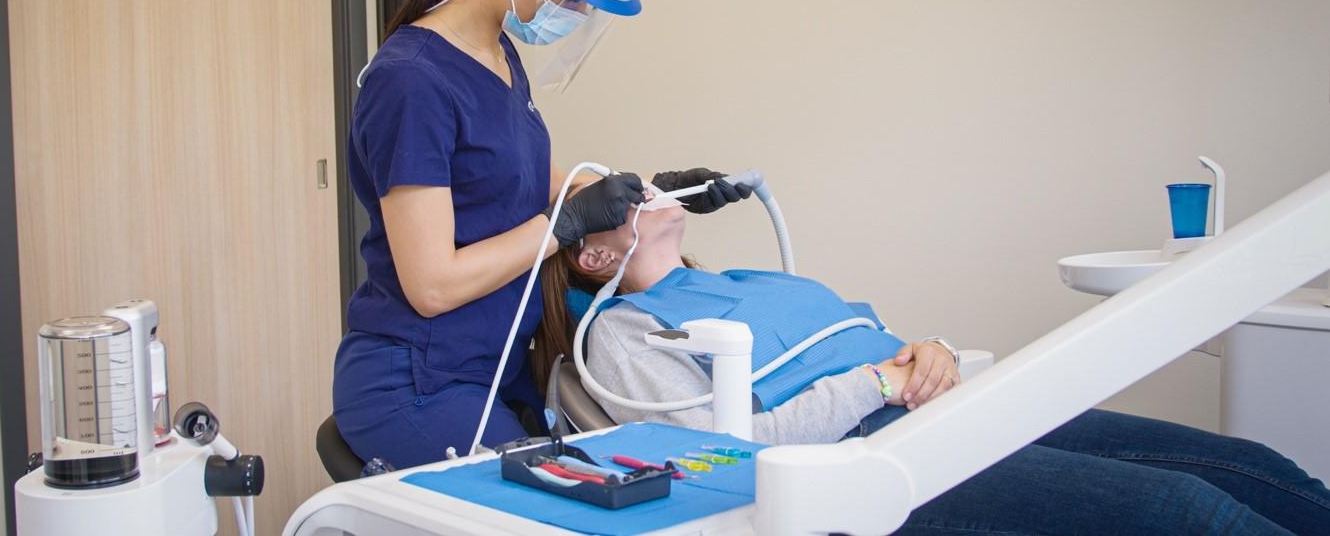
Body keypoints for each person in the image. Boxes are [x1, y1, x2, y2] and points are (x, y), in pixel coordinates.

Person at [535, 196, 1330, 535]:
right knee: (1182, 509)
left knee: (1243, 465)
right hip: (876, 456)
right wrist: (880, 383)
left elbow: (863, 340)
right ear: (595, 251)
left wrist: (931, 352)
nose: (638, 186)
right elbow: (723, 449)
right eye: (614, 194)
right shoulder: (619, 336)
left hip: (941, 405)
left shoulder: (738, 280)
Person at [332, 0, 753, 470]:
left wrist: (656, 192)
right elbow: (431, 286)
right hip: (418, 381)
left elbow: (539, 178)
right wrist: (565, 224)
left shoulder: (497, 52)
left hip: (497, 364)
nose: (579, 10)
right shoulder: (411, 82)